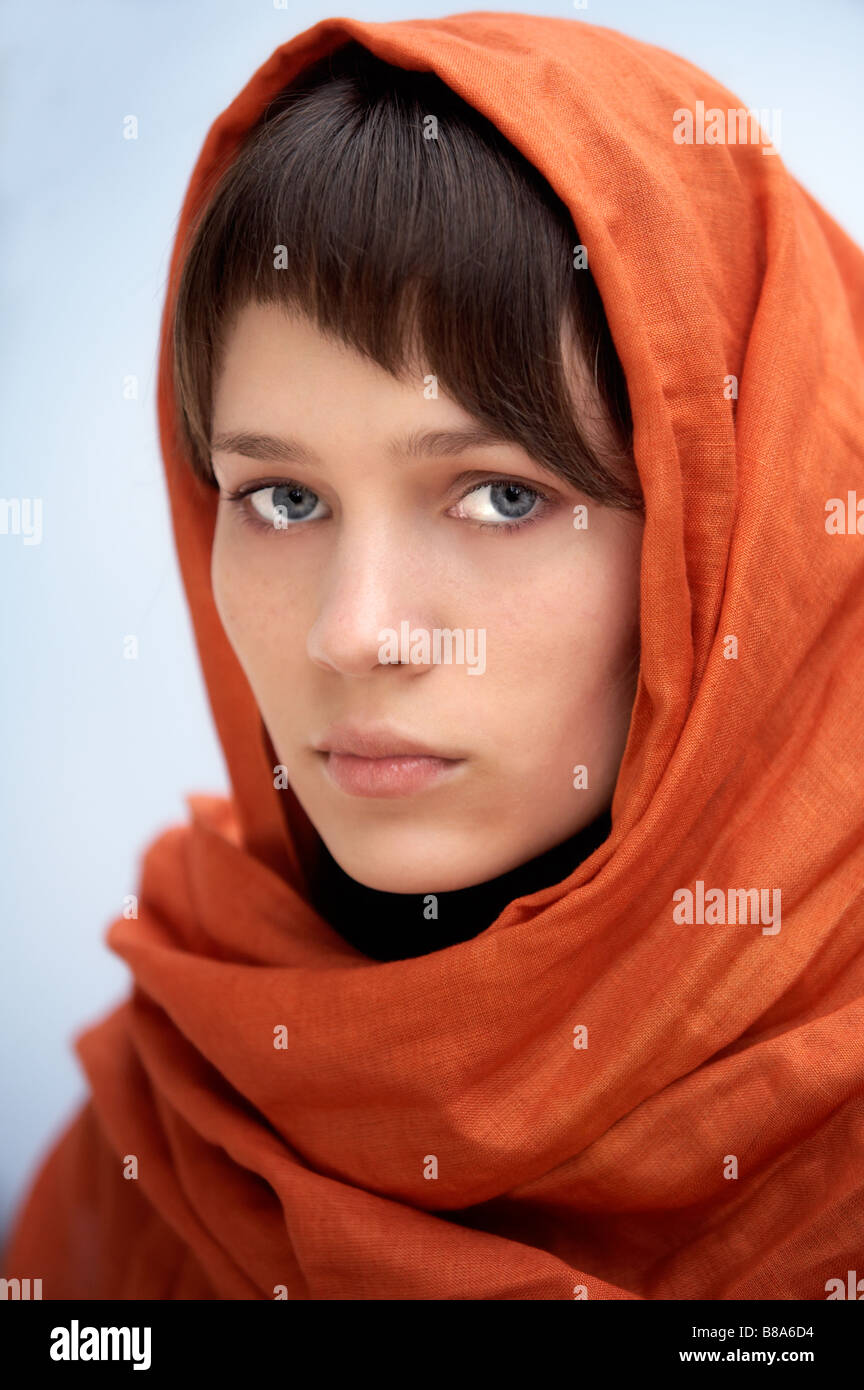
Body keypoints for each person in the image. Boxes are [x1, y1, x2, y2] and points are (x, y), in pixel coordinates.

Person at [3, 11, 863, 1301]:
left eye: (502, 497)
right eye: (283, 499)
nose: (357, 634)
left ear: (738, 535)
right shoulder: (167, 1133)